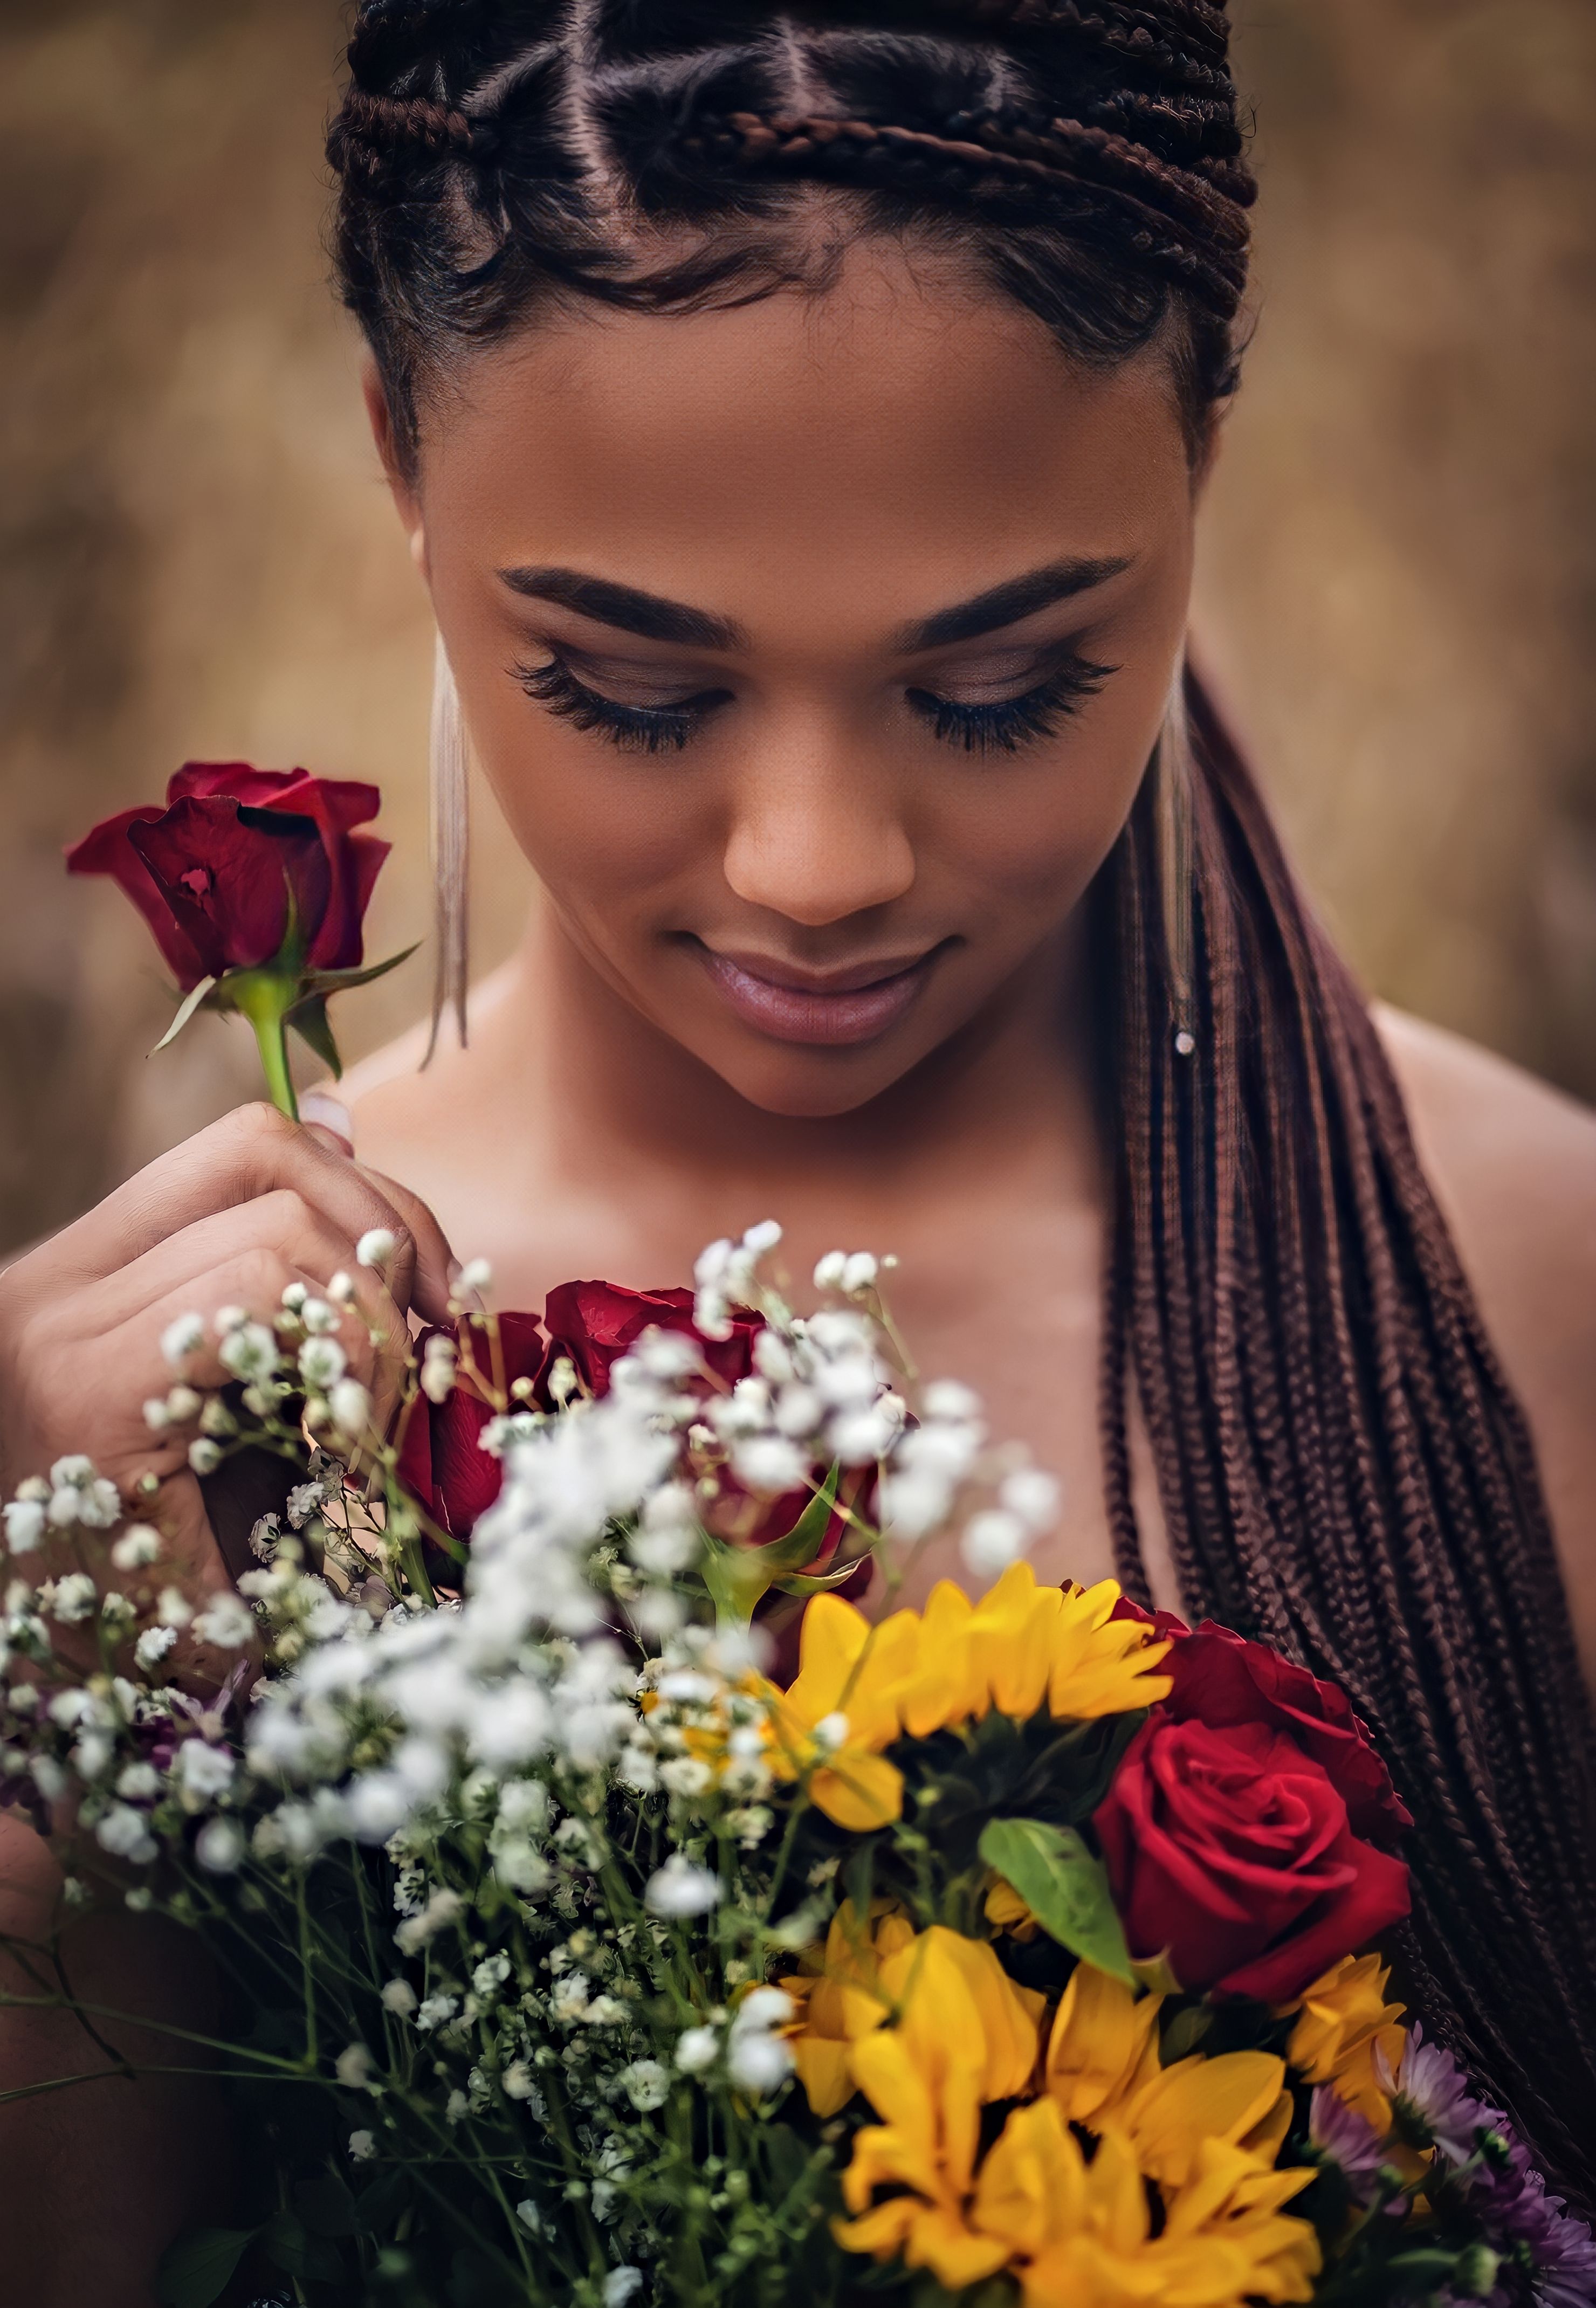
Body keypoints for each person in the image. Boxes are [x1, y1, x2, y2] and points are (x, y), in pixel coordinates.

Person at [2, 1, 1593, 2291]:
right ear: (398, 463)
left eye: (997, 683)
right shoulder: (167, 1434)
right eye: (633, 693)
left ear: (1198, 465)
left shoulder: (1518, 1289)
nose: (817, 862)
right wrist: (99, 1773)